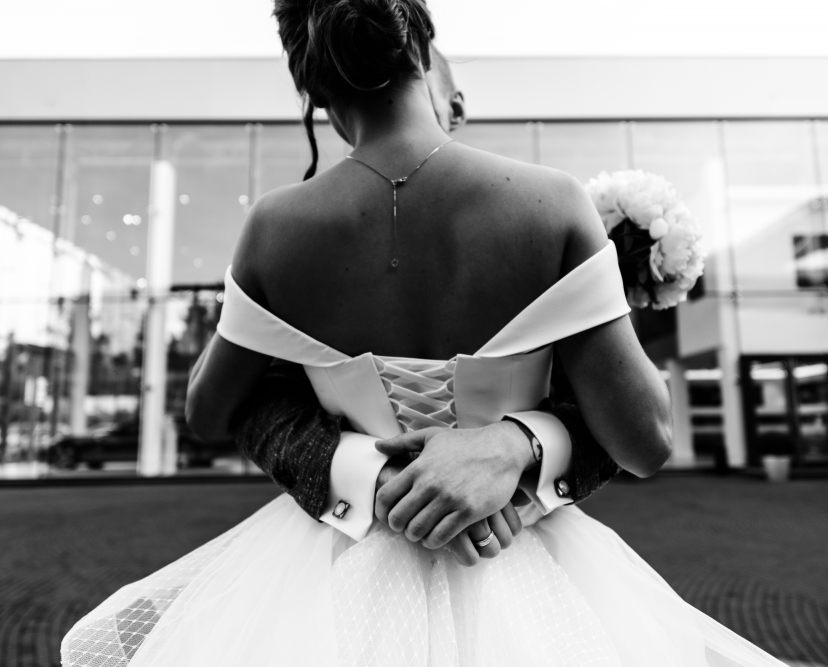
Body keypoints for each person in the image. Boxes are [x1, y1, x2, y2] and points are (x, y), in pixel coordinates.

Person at [62, 2, 789, 665]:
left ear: (312, 92)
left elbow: (209, 409)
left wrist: (365, 470)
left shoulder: (276, 227)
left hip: (329, 574)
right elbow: (645, 438)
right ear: (420, 47)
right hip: (521, 569)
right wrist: (529, 441)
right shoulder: (552, 205)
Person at [231, 43, 622, 567]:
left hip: (505, 541)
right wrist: (372, 475)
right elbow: (258, 397)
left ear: (454, 106)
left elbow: (620, 417)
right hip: (363, 546)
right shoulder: (289, 234)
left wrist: (515, 445)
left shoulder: (547, 216)